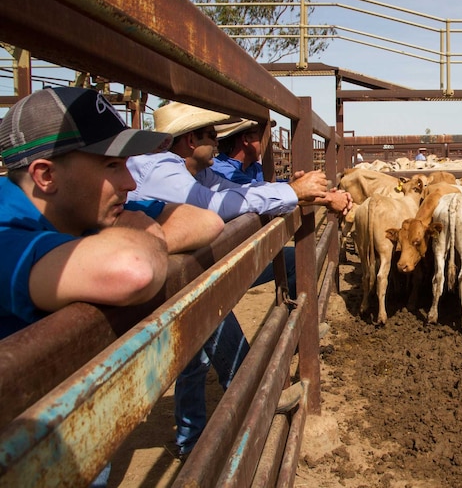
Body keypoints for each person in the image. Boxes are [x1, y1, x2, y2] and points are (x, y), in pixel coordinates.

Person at [0, 87, 224, 486]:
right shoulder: (6, 231)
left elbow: (207, 221)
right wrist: (143, 236)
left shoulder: (83, 210)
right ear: (45, 175)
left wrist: (143, 234)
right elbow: (133, 268)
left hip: (69, 421)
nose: (131, 183)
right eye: (111, 165)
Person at [126, 101, 352, 459]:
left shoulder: (196, 170)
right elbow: (215, 205)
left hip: (175, 271)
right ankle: (258, 397)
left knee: (196, 351)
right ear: (189, 142)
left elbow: (234, 192)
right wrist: (294, 193)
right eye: (210, 136)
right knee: (213, 321)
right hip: (149, 277)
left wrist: (312, 194)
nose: (218, 143)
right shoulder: (162, 170)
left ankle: (194, 436)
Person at [211, 118, 272, 184]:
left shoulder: (255, 168)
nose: (264, 142)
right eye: (261, 136)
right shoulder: (220, 170)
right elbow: (259, 189)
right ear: (246, 139)